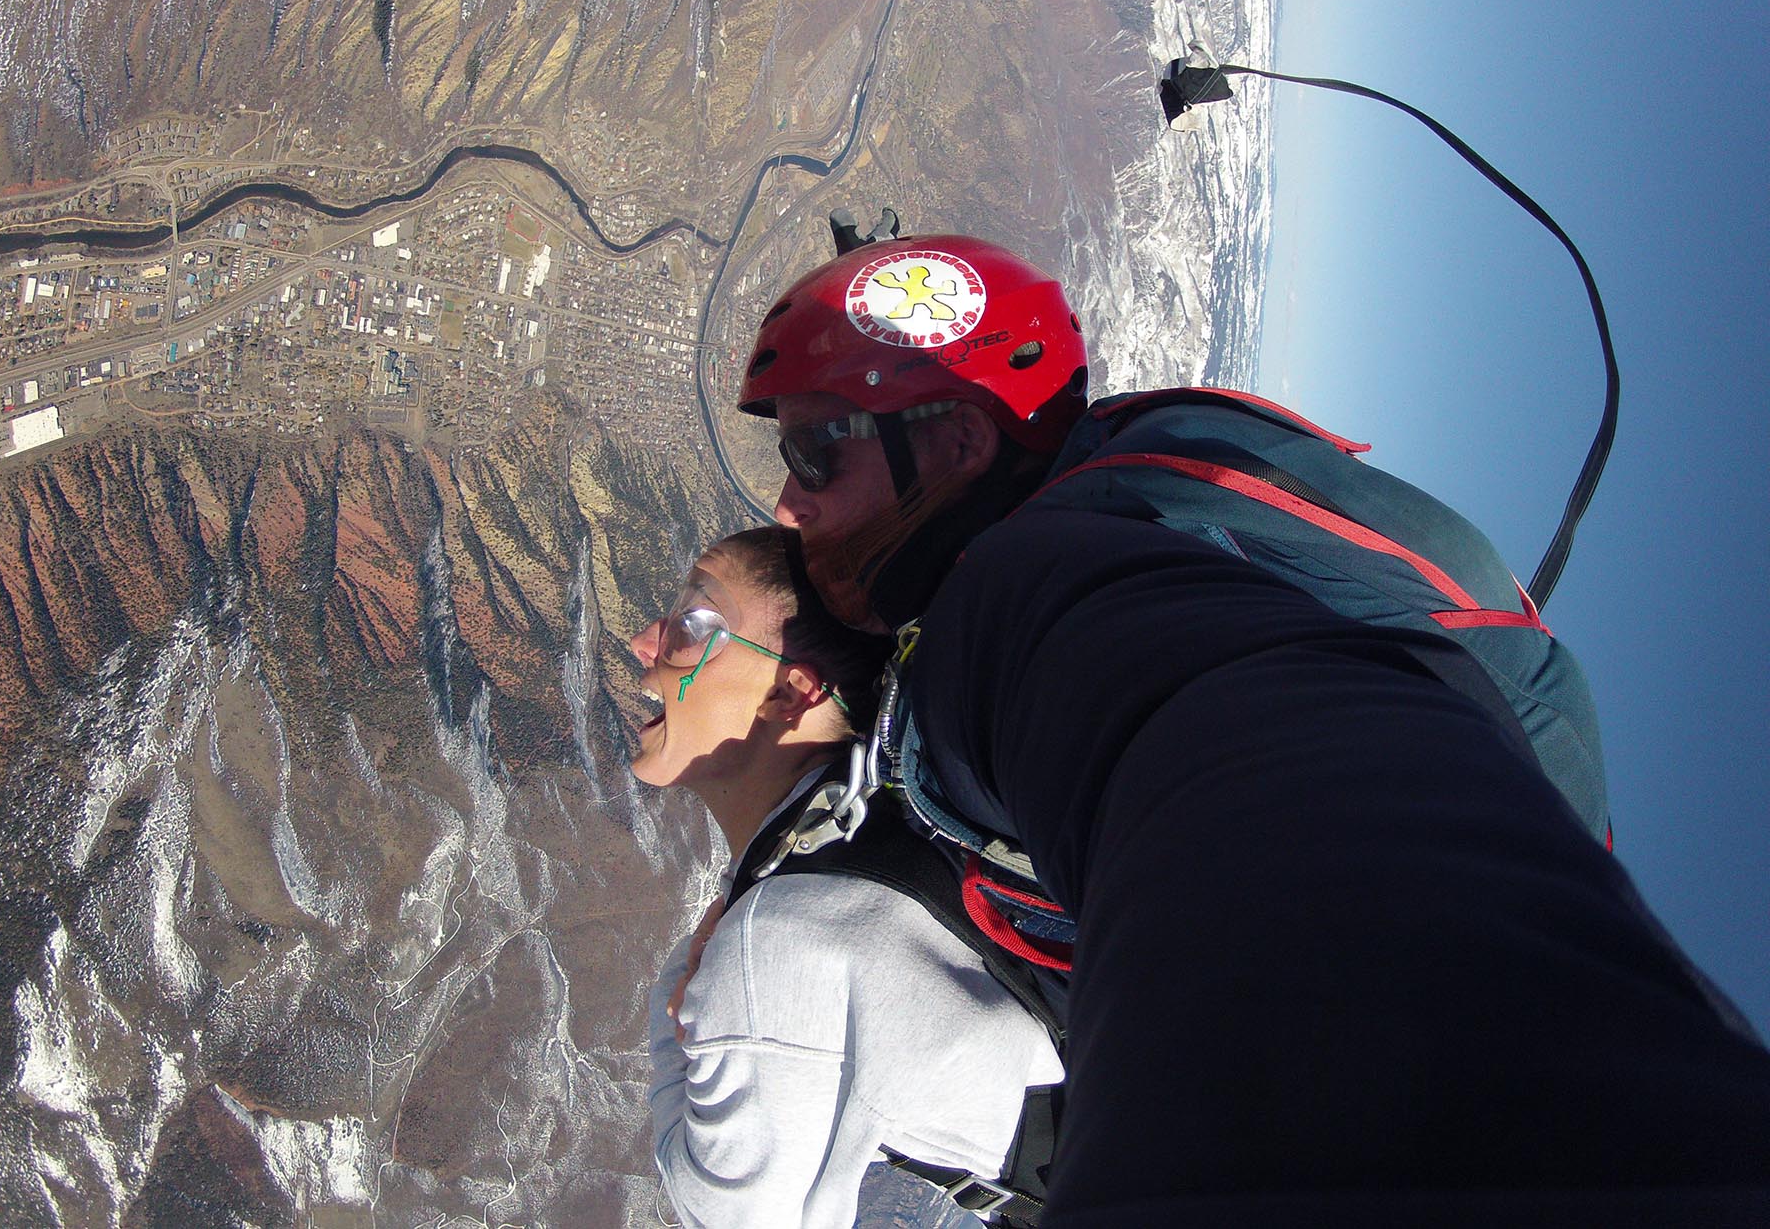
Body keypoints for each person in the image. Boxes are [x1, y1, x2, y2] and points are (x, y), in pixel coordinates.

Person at [736, 232, 1770, 1222]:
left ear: (960, 443)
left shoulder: (1029, 592)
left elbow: (1232, 751)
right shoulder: (1107, 502)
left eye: (814, 452)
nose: (787, 501)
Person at [631, 525, 1064, 1228]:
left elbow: (728, 1217)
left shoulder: (775, 943)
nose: (646, 642)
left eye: (693, 623)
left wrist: (675, 1014)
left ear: (790, 693)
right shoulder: (886, 814)